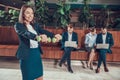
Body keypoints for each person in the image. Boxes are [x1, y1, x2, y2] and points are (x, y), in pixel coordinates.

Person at [14, 4, 61, 80]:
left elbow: (43, 31)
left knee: (40, 77)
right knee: (28, 78)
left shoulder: (35, 25)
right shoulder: (18, 25)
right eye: (27, 13)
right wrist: (38, 37)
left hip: (36, 53)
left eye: (32, 13)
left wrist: (54, 35)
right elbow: (26, 34)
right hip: (26, 55)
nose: (30, 15)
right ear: (23, 14)